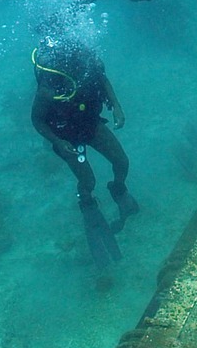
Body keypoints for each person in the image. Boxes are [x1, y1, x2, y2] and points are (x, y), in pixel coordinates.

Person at [30, 36, 138, 269]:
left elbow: (103, 80)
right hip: (66, 136)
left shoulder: (88, 64)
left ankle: (118, 189)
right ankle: (88, 204)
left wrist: (117, 106)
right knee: (87, 179)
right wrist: (57, 142)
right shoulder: (50, 84)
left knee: (121, 161)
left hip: (90, 125)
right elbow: (37, 120)